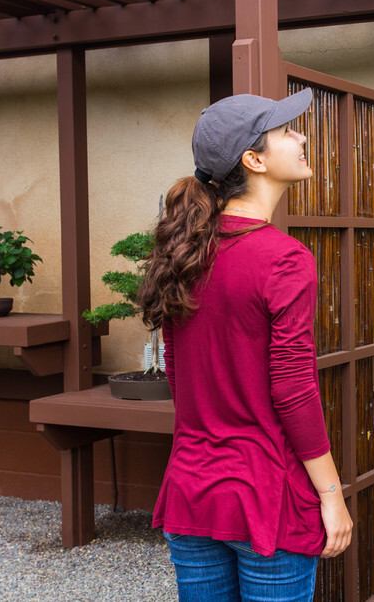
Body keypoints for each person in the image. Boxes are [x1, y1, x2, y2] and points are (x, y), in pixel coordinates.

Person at [137, 89, 352, 602]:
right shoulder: (284, 259)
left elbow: (179, 376)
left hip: (191, 490)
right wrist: (331, 495)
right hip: (267, 497)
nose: (302, 137)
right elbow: (293, 390)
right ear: (254, 160)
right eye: (287, 131)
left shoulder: (184, 253)